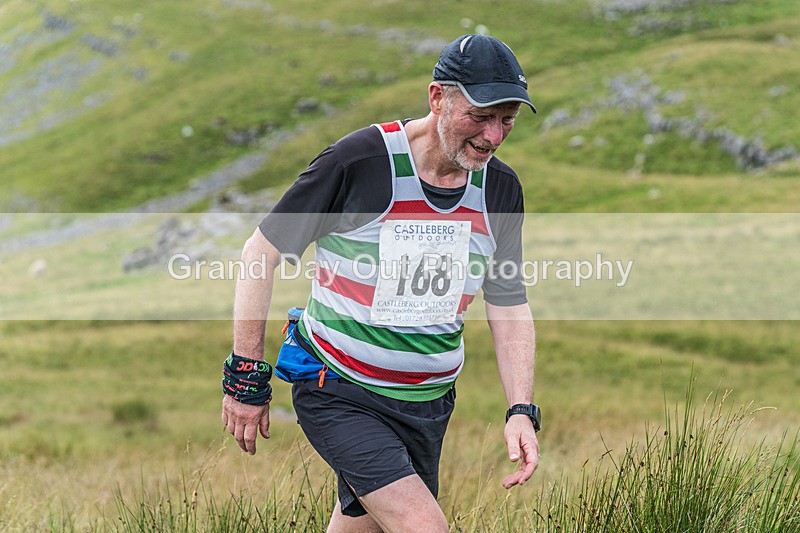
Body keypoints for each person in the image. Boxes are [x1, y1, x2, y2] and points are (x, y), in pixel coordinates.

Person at [221, 34, 541, 532]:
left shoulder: (500, 188)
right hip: (338, 390)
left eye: (507, 121)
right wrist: (246, 371)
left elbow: (508, 303)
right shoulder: (361, 162)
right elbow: (260, 254)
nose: (493, 136)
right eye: (479, 116)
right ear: (438, 98)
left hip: (428, 407)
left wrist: (520, 409)